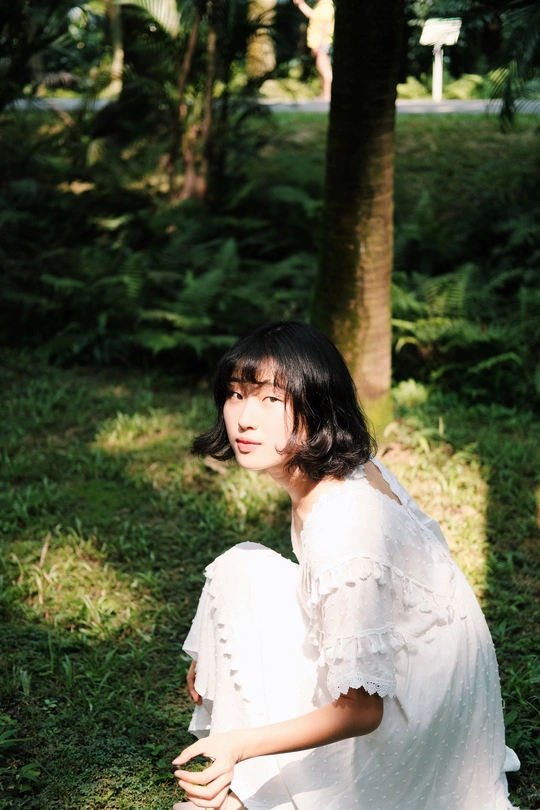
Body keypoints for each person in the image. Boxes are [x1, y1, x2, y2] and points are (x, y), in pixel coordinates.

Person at [172, 320, 520, 810]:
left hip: (414, 724)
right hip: (438, 692)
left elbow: (361, 710)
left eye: (271, 399)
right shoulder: (350, 466)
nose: (245, 418)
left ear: (318, 405)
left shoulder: (343, 522)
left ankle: (247, 790)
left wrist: (238, 744)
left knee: (238, 570)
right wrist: (218, 645)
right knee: (241, 572)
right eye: (236, 394)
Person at [293, 0, 334, 102]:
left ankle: (327, 95)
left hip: (322, 43)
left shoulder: (326, 7)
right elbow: (313, 16)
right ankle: (324, 94)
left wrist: (318, 45)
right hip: (319, 44)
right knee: (320, 68)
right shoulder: (321, 6)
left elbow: (324, 27)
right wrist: (301, 4)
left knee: (324, 69)